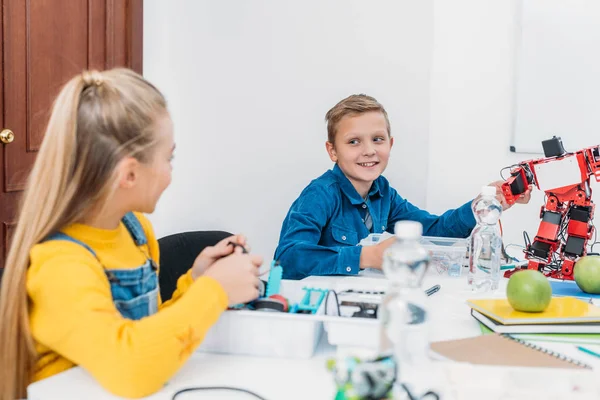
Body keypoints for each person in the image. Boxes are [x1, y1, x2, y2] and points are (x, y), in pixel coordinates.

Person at [0, 68, 263, 399]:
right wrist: (214, 291)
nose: (171, 172)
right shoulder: (60, 264)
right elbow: (130, 369)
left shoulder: (135, 230)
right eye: (169, 158)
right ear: (129, 174)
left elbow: (144, 337)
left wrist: (195, 281)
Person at [275, 94, 531, 280]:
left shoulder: (382, 191)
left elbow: (433, 229)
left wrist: (481, 206)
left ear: (390, 143)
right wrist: (366, 257)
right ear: (333, 151)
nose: (369, 150)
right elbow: (287, 258)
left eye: (378, 139)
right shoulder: (321, 194)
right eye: (354, 141)